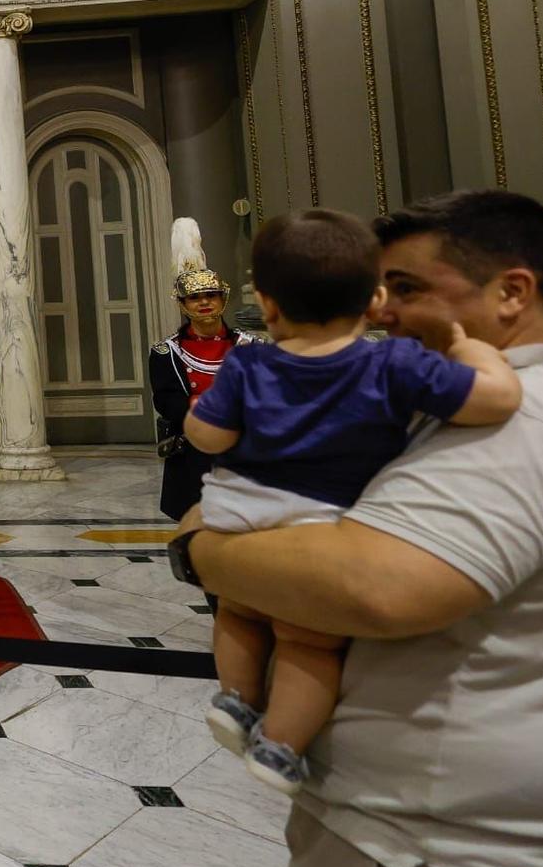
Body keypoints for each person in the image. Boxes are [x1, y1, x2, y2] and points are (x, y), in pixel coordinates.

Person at [167, 190, 543, 867]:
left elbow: (369, 588)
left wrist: (199, 544)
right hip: (427, 844)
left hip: (458, 864)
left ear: (512, 292)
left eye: (405, 288)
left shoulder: (531, 421)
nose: (381, 310)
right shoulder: (462, 403)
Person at [180, 209, 522, 794]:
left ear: (266, 305)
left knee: (239, 608)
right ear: (375, 300)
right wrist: (470, 349)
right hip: (320, 520)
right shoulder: (394, 364)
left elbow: (207, 437)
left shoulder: (248, 363)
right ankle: (281, 745)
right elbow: (498, 399)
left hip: (238, 513)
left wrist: (207, 421)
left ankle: (235, 700)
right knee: (309, 641)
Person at [150, 217, 260, 521]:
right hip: (192, 453)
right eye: (195, 298)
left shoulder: (250, 345)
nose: (204, 303)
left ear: (223, 298)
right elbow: (167, 401)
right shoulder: (166, 352)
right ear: (183, 304)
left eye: (211, 295)